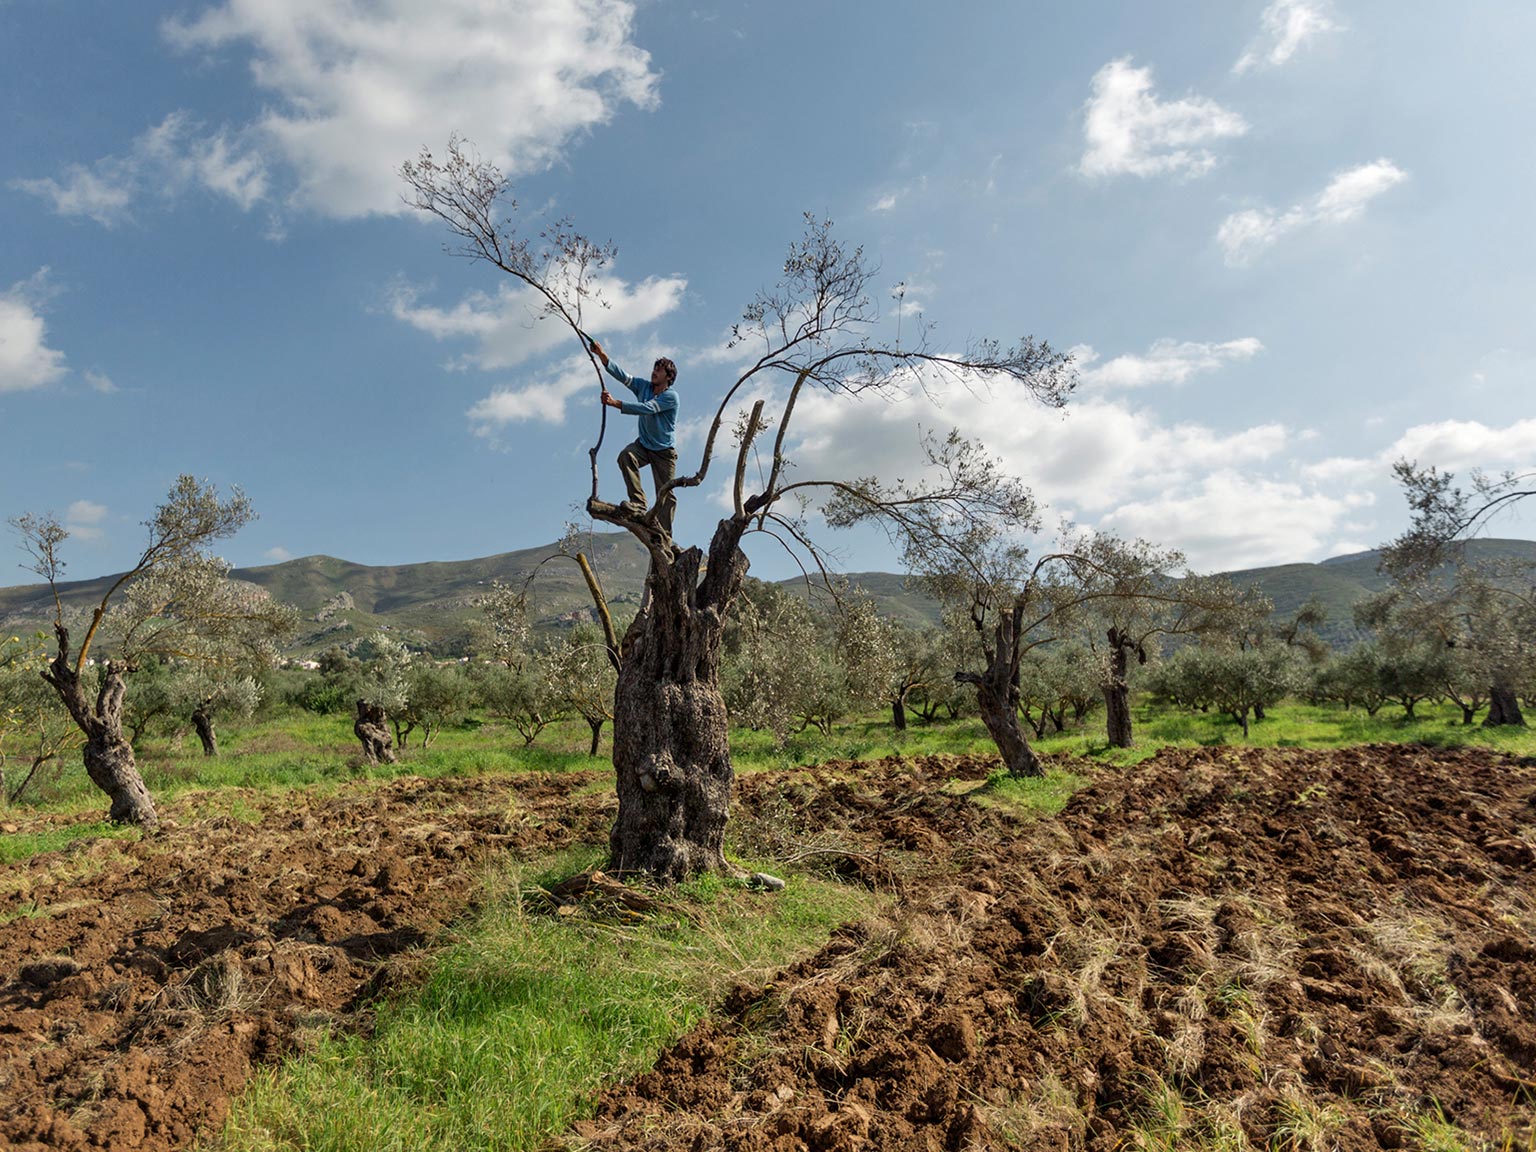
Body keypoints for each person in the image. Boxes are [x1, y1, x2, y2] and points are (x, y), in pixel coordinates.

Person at [590, 339, 679, 536]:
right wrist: (601, 354)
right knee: (626, 456)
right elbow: (623, 376)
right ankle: (638, 503)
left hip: (664, 452)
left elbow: (648, 409)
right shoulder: (644, 387)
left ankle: (664, 536)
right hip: (644, 445)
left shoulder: (671, 397)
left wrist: (615, 403)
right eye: (654, 367)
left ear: (669, 376)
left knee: (666, 495)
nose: (654, 372)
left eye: (660, 369)